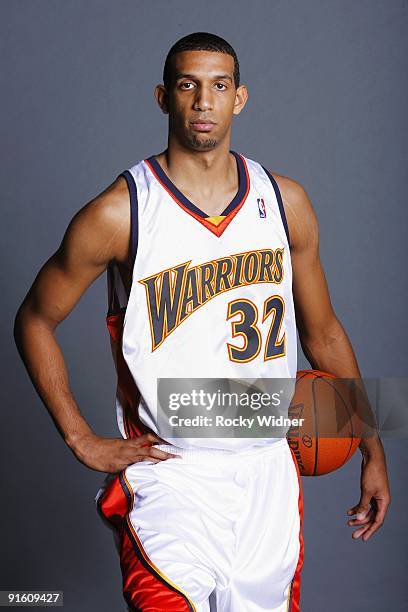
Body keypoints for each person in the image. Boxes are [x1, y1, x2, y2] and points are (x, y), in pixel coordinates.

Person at [14, 32, 391, 612]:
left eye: (218, 86)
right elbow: (34, 319)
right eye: (188, 86)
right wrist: (79, 437)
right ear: (164, 97)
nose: (203, 102)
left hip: (268, 470)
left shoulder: (284, 202)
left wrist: (372, 447)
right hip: (171, 473)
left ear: (240, 98)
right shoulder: (120, 212)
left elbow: (324, 334)